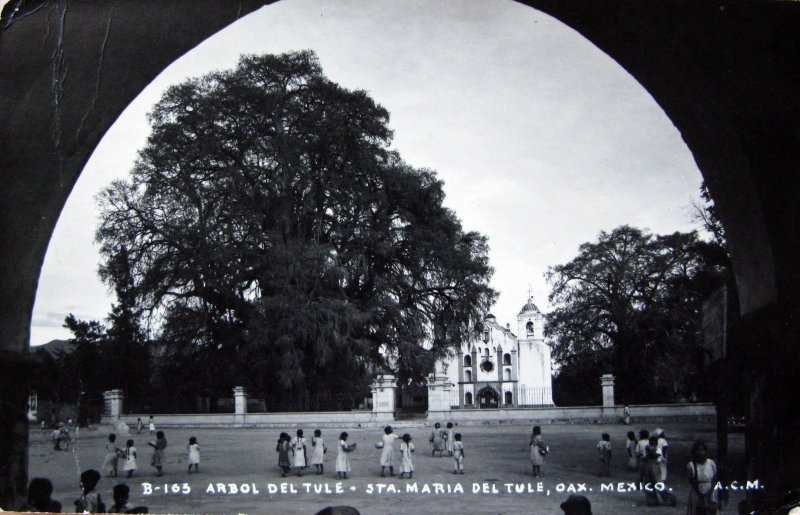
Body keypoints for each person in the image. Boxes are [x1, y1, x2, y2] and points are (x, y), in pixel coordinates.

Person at [687, 441, 719, 515]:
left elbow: (715, 477)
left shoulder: (711, 463)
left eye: (702, 450)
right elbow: (691, 480)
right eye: (698, 450)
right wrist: (699, 493)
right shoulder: (691, 465)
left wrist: (710, 491)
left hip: (710, 490)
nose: (700, 452)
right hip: (697, 491)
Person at [643, 436, 676, 506]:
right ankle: (652, 501)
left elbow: (655, 455)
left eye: (653, 442)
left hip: (655, 467)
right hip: (648, 466)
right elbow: (646, 457)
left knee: (658, 483)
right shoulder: (648, 448)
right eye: (651, 442)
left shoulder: (658, 449)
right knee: (648, 483)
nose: (652, 443)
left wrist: (649, 450)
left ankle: (670, 497)